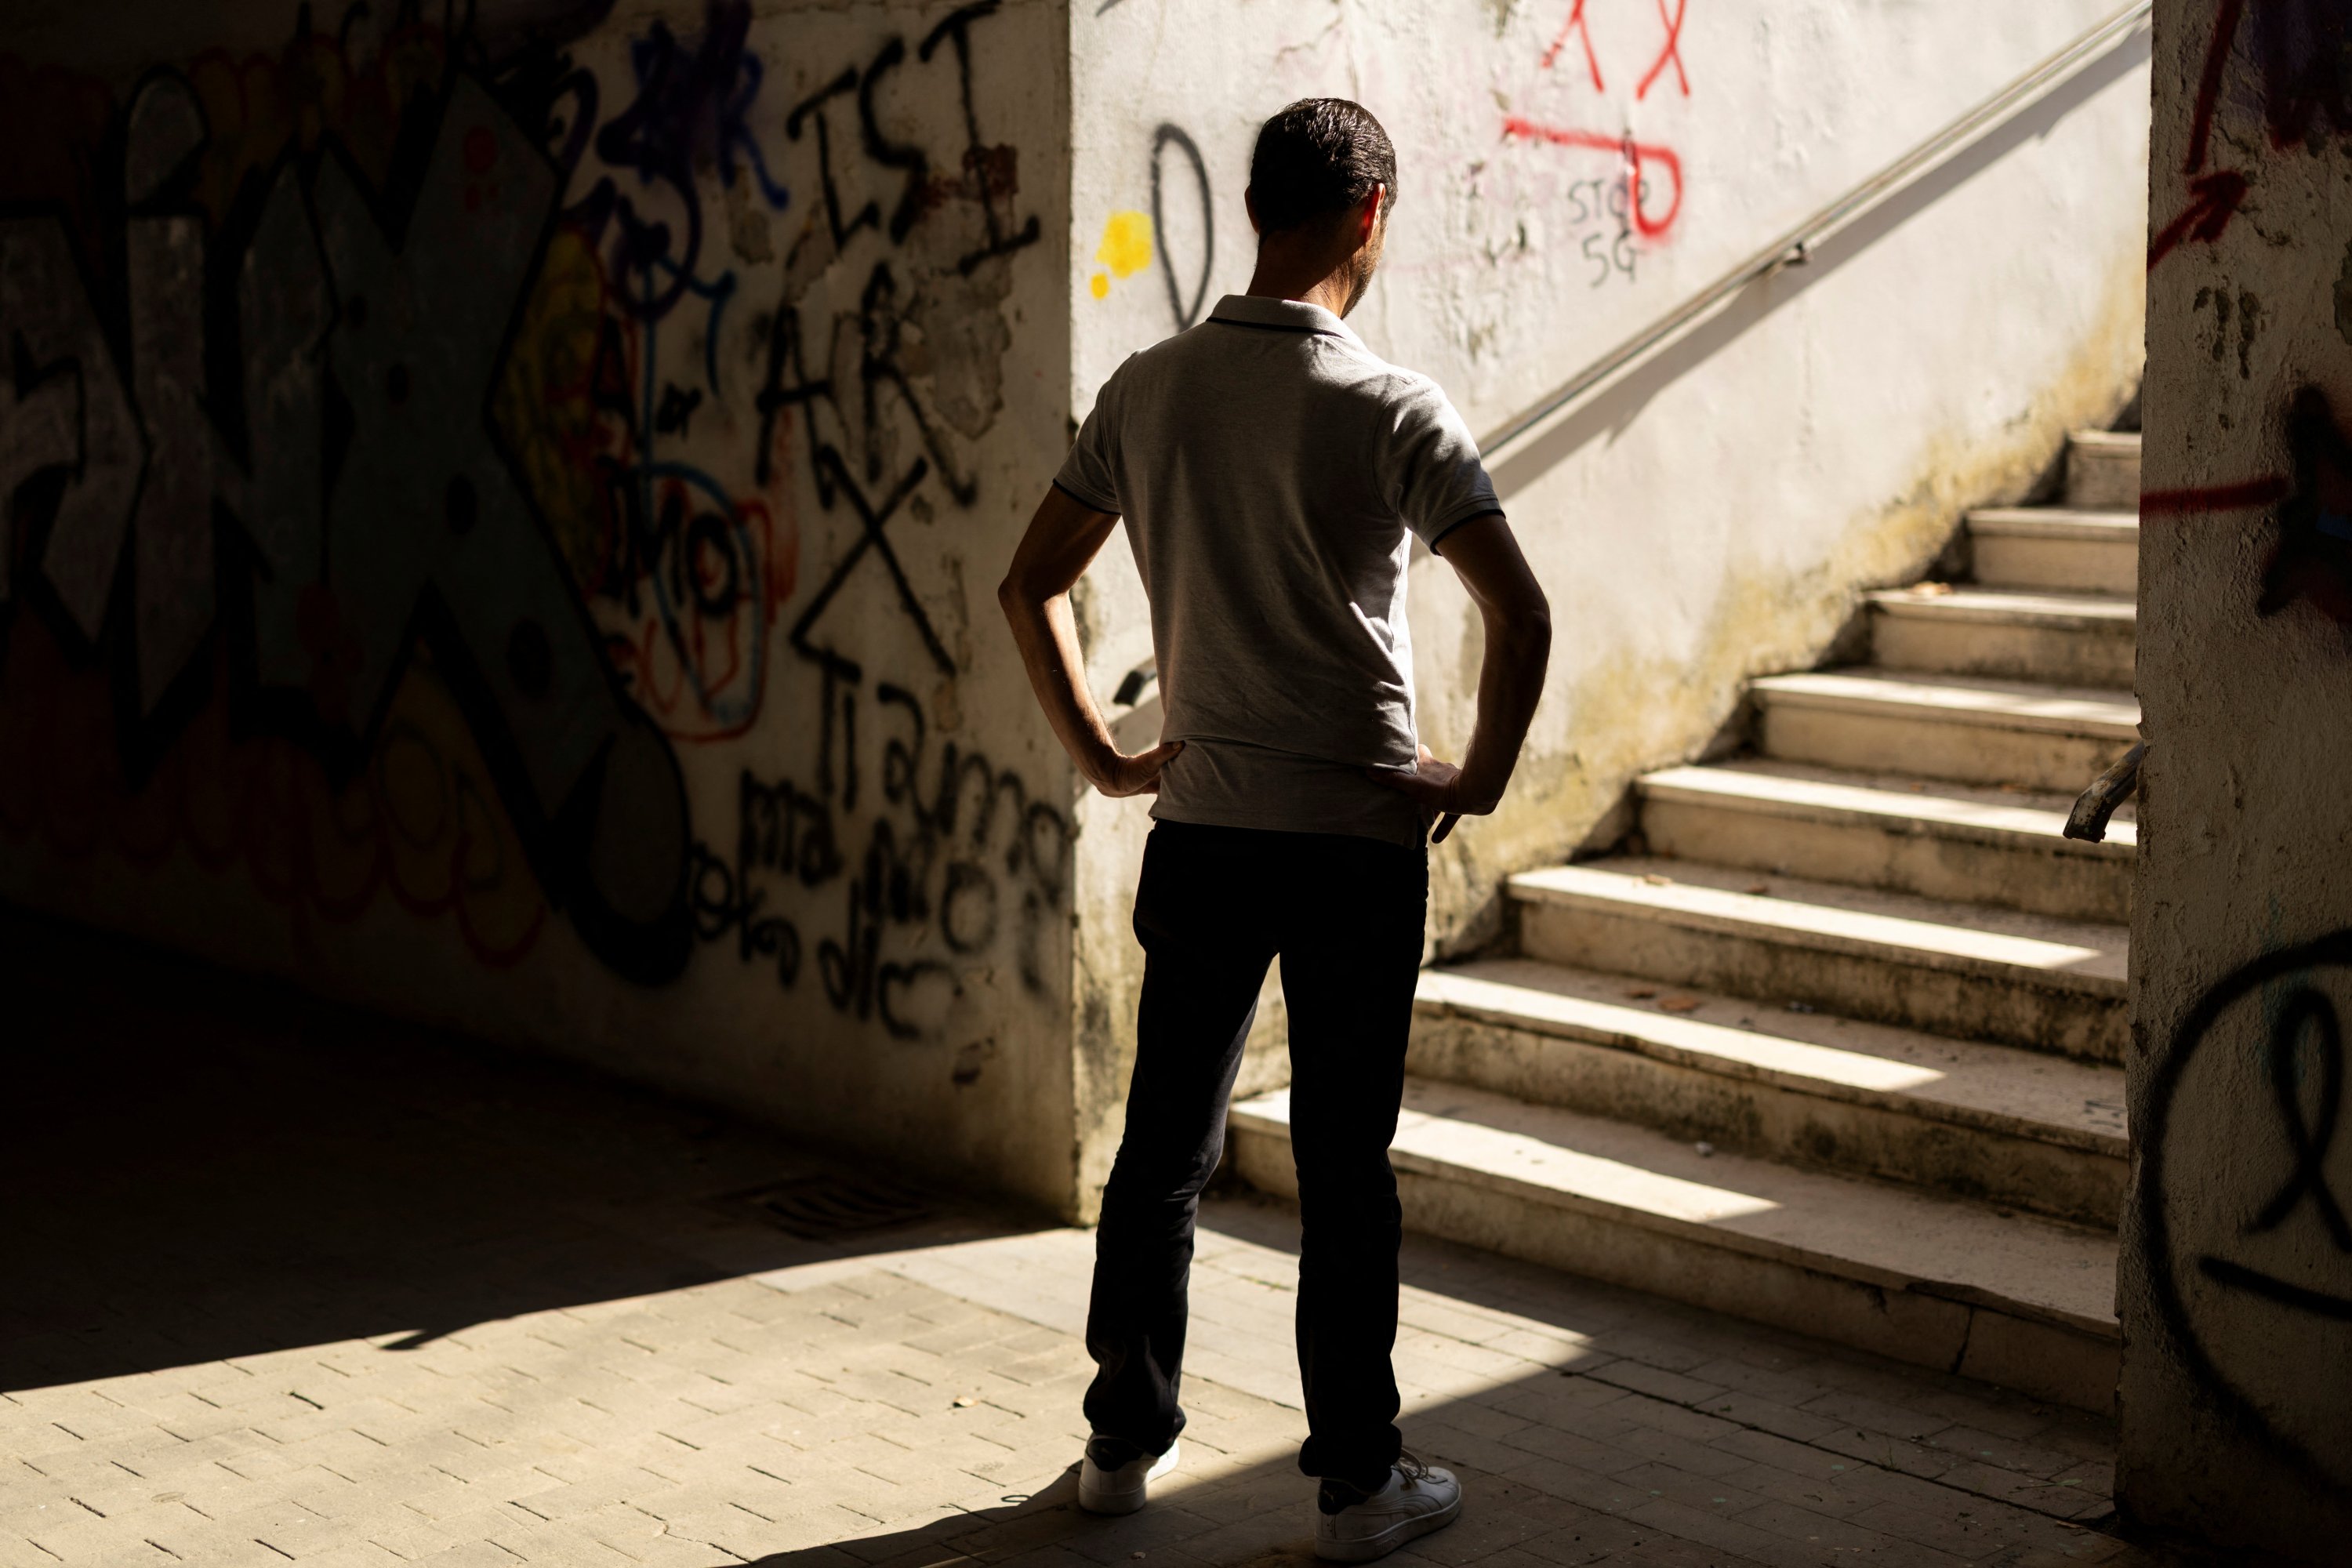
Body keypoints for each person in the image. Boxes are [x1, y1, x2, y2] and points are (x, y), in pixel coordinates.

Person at [998, 97, 1551, 1564]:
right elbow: (1522, 611)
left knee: (1162, 1146)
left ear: (1257, 209)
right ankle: (1358, 1485)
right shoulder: (1393, 407)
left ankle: (1121, 1447)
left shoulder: (1148, 388)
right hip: (1359, 839)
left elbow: (1026, 585)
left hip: (1207, 827)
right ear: (1370, 210)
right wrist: (1478, 777)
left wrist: (1110, 763)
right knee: (1342, 1159)